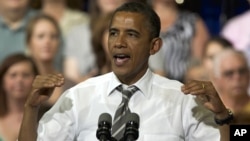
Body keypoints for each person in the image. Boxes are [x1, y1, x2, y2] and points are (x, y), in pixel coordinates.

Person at [19, 2, 231, 141]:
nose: (119, 43)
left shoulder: (182, 100)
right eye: (113, 33)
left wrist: (222, 116)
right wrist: (31, 108)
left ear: (154, 46)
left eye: (131, 34)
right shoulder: (78, 97)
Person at [148, 0, 210, 82]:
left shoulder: (192, 22)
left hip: (184, 85)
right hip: (148, 83)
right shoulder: (140, 21)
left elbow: (199, 61)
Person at [25, 14, 75, 107]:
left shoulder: (70, 86)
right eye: (41, 36)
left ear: (59, 43)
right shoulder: (19, 82)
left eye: (53, 36)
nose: (47, 41)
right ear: (29, 42)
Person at [0, 53, 38, 141]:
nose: (19, 80)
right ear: (2, 81)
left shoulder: (46, 117)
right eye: (13, 75)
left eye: (25, 75)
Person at [212, 49, 250, 124]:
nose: (237, 77)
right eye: (229, 73)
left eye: (242, 71)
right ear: (217, 80)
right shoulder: (209, 113)